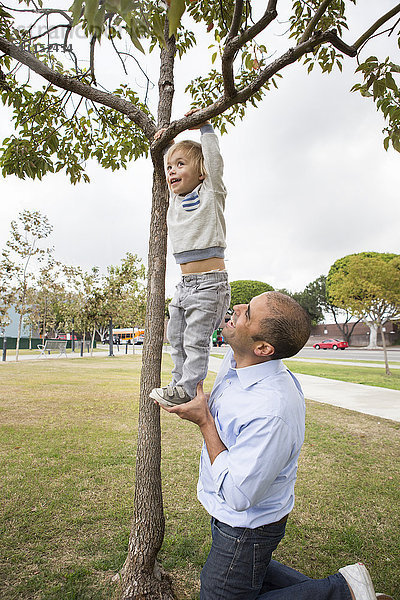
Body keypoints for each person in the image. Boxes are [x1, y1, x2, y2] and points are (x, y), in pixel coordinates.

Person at [157, 291, 392, 600]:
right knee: (249, 571)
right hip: (235, 519)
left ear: (263, 348)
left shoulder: (271, 409)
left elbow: (239, 496)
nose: (238, 308)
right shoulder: (240, 360)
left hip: (247, 525)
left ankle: (344, 592)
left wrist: (204, 422)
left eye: (248, 313)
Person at [150, 109, 230, 407]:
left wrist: (205, 127)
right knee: (177, 337)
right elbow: (163, 164)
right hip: (184, 285)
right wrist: (166, 142)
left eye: (180, 165)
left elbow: (214, 161)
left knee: (195, 341)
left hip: (210, 284)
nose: (172, 171)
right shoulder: (174, 200)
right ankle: (177, 384)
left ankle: (187, 389)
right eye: (170, 167)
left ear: (201, 172)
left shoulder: (212, 191)